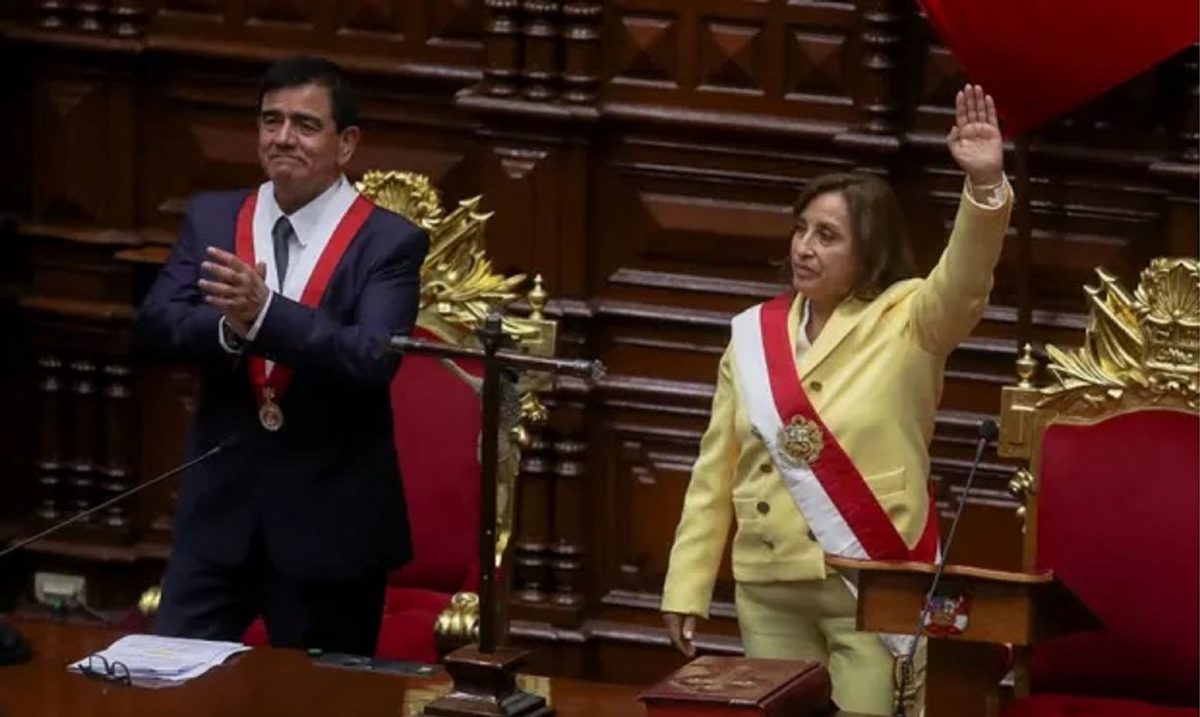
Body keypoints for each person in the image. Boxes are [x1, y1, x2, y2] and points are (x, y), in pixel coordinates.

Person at [660, 84, 1012, 715]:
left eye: (827, 236)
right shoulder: (752, 335)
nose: (804, 247)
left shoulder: (910, 319)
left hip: (870, 582)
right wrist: (686, 583)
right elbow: (714, 470)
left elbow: (964, 279)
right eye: (801, 230)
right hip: (769, 585)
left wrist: (985, 189)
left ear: (867, 248)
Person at [136, 56, 429, 656]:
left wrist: (265, 314)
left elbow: (372, 356)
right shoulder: (214, 216)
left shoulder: (388, 241)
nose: (282, 138)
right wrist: (231, 329)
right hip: (218, 518)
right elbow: (157, 325)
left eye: (304, 124)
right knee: (164, 686)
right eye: (271, 121)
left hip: (330, 527)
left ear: (347, 144)